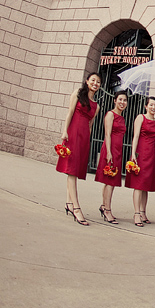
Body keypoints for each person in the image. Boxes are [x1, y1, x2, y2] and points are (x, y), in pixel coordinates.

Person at [57, 72, 101, 226]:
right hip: (73, 134)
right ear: (87, 81)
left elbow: (90, 125)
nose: (95, 83)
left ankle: (68, 203)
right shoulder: (77, 93)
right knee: (71, 171)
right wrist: (65, 132)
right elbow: (70, 112)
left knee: (75, 169)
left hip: (84, 139)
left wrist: (86, 142)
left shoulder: (96, 106)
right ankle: (76, 207)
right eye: (93, 80)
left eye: (98, 82)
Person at [127, 96, 155, 227]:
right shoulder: (140, 118)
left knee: (146, 185)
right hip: (140, 153)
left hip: (151, 154)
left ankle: (143, 212)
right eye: (151, 105)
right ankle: (136, 213)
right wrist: (133, 153)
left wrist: (154, 146)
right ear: (146, 106)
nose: (153, 107)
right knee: (138, 184)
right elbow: (136, 135)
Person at [94, 89, 128, 224]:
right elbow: (107, 134)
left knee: (111, 182)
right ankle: (107, 210)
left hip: (118, 151)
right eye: (120, 99)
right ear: (115, 100)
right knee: (109, 181)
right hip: (110, 150)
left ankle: (104, 206)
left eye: (125, 100)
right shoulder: (110, 115)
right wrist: (108, 152)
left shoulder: (122, 117)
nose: (122, 102)